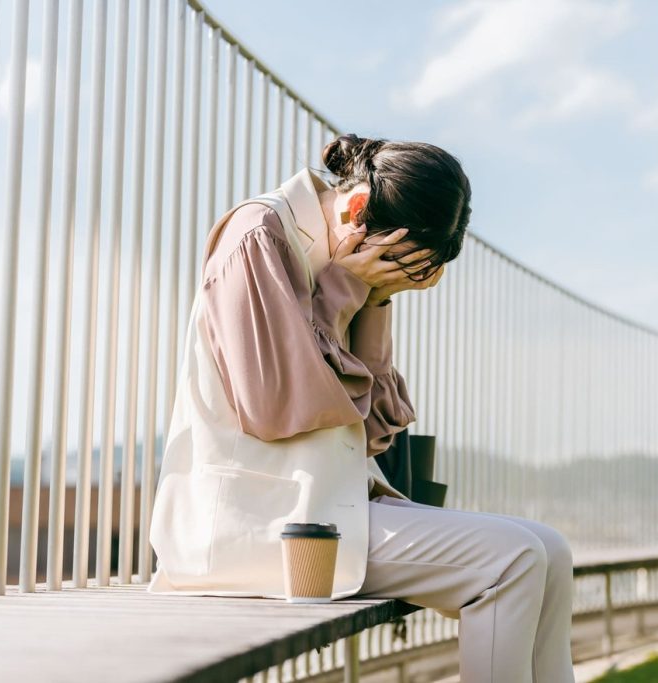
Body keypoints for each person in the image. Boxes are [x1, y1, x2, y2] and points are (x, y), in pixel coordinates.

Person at [189, 133, 575, 682]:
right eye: (395, 266)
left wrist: (375, 300)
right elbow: (276, 408)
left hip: (327, 507)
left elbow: (372, 431)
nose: (387, 279)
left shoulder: (340, 257)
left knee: (550, 551)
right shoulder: (258, 237)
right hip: (260, 521)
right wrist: (346, 285)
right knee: (510, 560)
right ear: (356, 209)